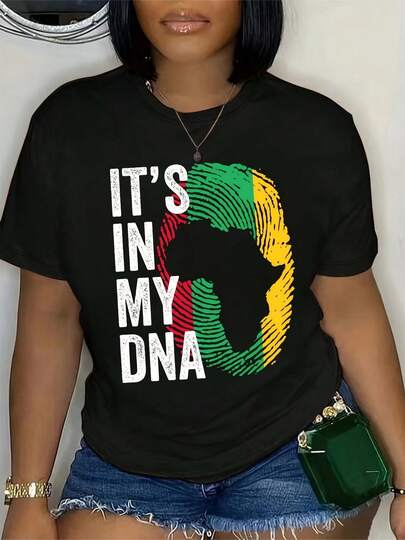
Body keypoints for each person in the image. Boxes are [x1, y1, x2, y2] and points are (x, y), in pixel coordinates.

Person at [1, 1, 404, 539]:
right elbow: (49, 318)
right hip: (128, 464)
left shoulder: (316, 129)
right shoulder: (69, 127)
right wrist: (26, 495)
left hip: (294, 448)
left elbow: (350, 309)